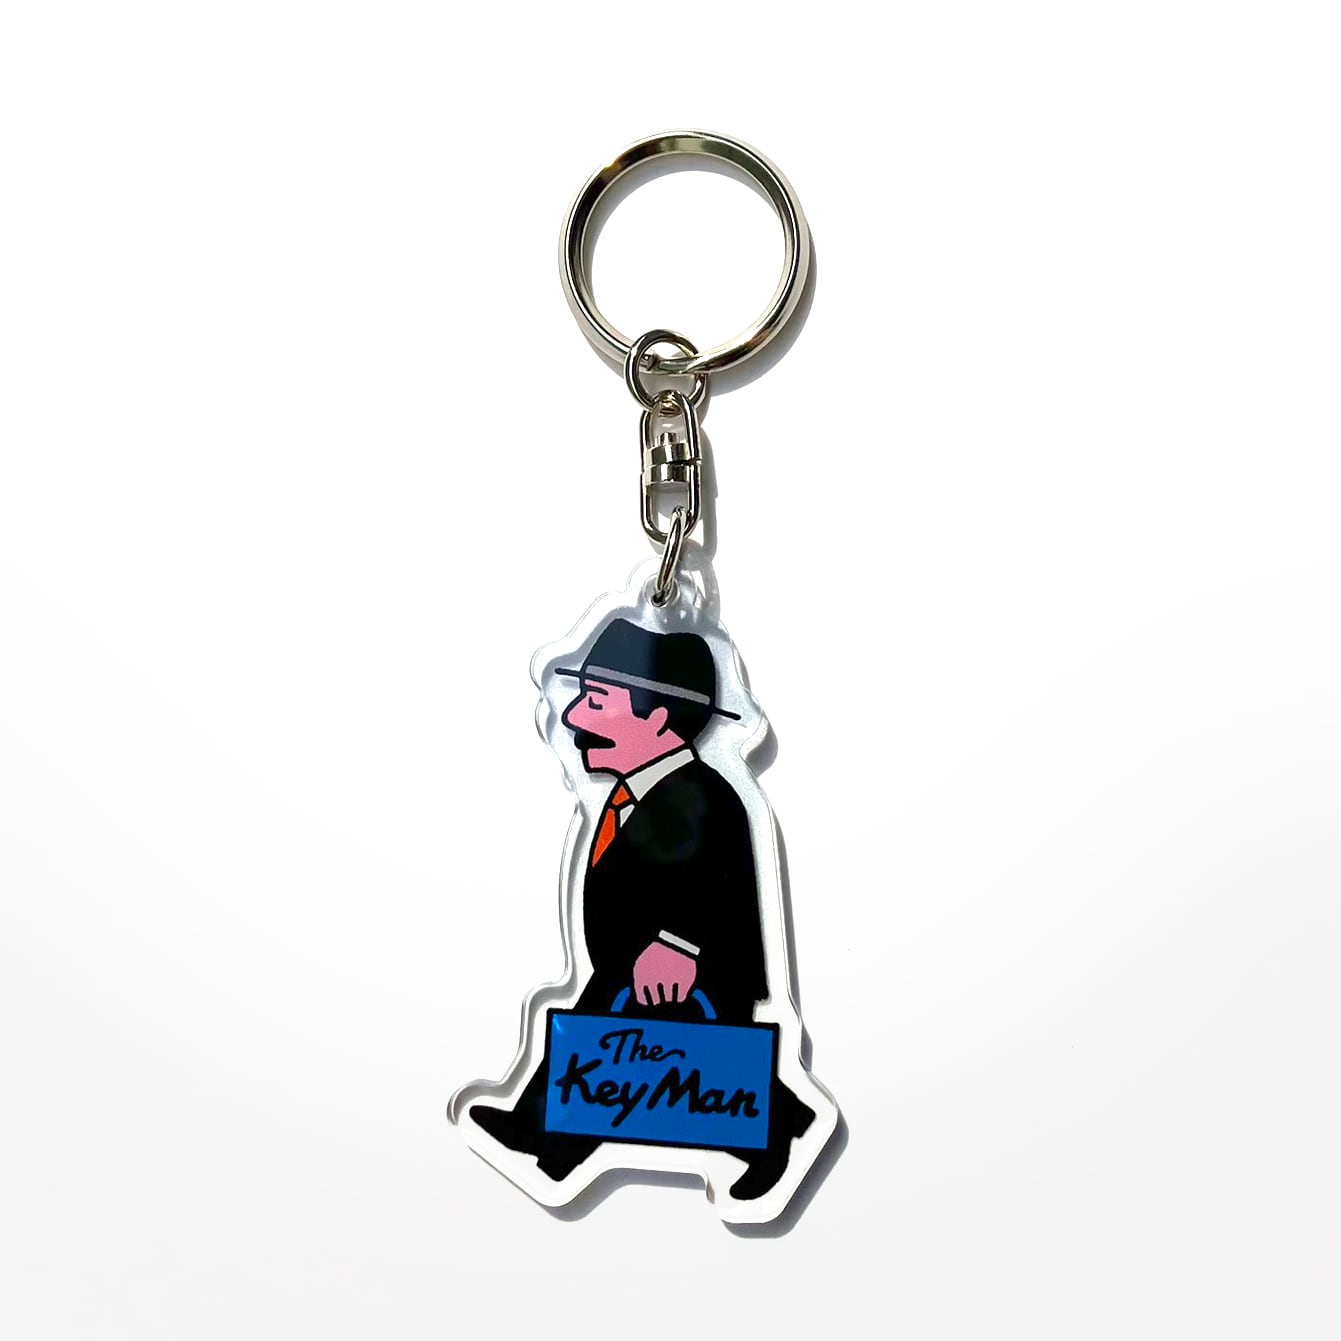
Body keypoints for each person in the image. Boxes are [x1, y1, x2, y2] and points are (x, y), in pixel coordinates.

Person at [468, 618, 814, 1200]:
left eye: (596, 701)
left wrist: (681, 945)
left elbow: (717, 881)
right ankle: (544, 1137)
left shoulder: (705, 795)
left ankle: (779, 1134)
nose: (573, 717)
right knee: (604, 1046)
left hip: (690, 977)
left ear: (657, 717)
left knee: (698, 1068)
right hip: (628, 972)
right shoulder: (629, 794)